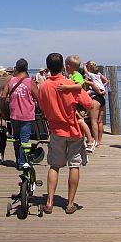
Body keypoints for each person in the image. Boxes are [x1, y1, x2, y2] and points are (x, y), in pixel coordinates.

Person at [38, 53, 93, 215]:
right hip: (74, 131)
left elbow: (42, 105)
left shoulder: (44, 86)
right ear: (63, 66)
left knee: (54, 166)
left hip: (55, 131)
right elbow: (88, 104)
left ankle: (49, 202)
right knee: (74, 165)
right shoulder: (70, 84)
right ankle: (69, 204)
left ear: (48, 68)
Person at [57, 55, 96, 152]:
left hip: (80, 104)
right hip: (76, 103)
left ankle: (90, 140)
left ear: (69, 66)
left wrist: (66, 87)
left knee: (79, 120)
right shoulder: (72, 76)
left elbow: (78, 86)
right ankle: (82, 140)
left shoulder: (77, 75)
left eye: (66, 66)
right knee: (76, 121)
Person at [7, 58, 38, 169]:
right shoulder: (30, 81)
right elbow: (38, 96)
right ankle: (21, 162)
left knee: (16, 138)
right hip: (27, 114)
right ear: (27, 68)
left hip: (14, 113)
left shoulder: (11, 80)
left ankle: (18, 159)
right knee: (24, 140)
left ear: (16, 68)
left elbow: (2, 95)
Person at [84, 61, 109, 146]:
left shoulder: (89, 75)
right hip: (102, 98)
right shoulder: (98, 74)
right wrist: (102, 86)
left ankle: (96, 140)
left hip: (95, 98)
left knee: (93, 121)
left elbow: (85, 81)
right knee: (100, 121)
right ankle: (100, 140)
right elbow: (106, 80)